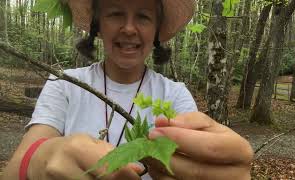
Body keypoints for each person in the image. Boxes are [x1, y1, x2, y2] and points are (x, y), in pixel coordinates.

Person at [2, 0, 253, 179]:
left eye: (143, 16)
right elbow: (15, 169)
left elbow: (194, 161)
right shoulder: (65, 84)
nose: (129, 28)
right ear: (97, 26)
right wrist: (43, 160)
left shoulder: (174, 95)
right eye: (115, 13)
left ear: (156, 31)